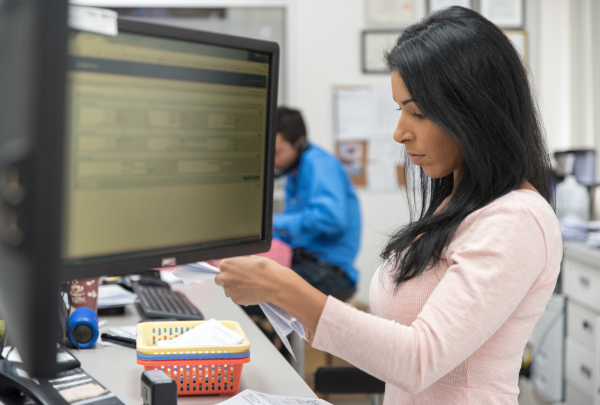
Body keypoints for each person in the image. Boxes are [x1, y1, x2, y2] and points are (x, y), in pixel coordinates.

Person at [215, 6, 561, 404]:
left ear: (475, 111)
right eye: (400, 110)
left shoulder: (517, 220)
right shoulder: (457, 205)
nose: (399, 133)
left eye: (418, 112)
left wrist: (287, 288)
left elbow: (418, 359)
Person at [272, 107, 361, 299]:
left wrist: (272, 223)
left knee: (255, 296)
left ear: (300, 142)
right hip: (308, 263)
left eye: (278, 152)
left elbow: (332, 219)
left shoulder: (320, 164)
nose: (273, 160)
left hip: (329, 271)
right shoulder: (293, 171)